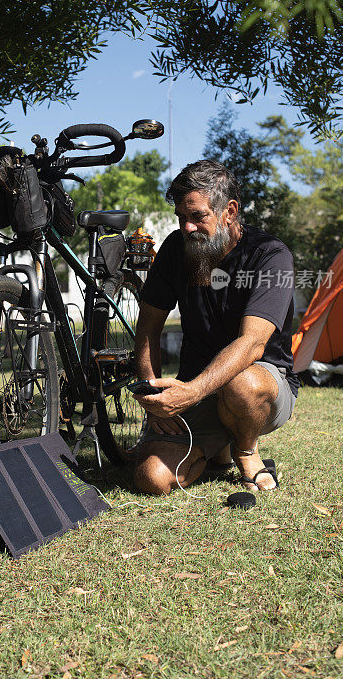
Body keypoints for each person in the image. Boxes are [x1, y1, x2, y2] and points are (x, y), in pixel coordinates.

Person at [133, 159, 299, 494]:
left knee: (242, 384)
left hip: (260, 383)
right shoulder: (175, 249)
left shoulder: (270, 255)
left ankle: (245, 450)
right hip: (197, 387)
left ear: (230, 211)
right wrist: (152, 396)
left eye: (198, 216)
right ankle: (218, 446)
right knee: (151, 479)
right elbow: (148, 327)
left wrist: (192, 392)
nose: (187, 227)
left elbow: (252, 343)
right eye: (181, 217)